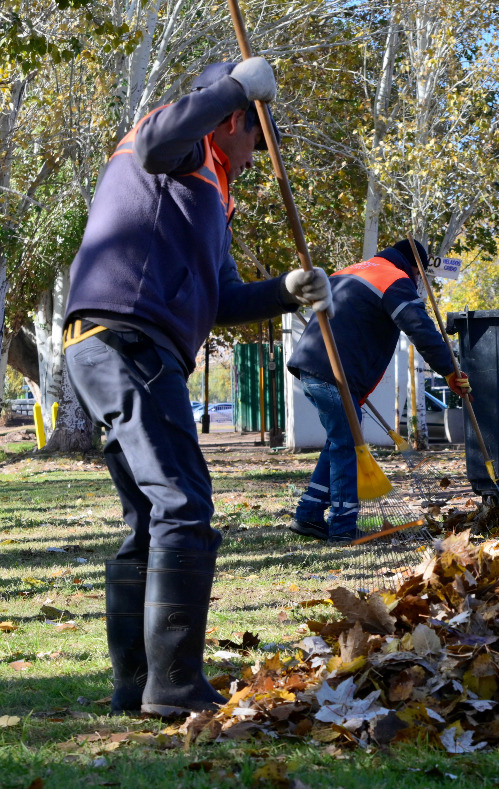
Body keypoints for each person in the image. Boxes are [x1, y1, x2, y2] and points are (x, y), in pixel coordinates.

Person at [63, 59, 331, 720]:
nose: (254, 157)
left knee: (152, 518)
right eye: (254, 139)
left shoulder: (211, 191)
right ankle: (174, 683)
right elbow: (157, 141)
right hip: (128, 337)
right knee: (184, 503)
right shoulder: (175, 144)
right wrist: (237, 87)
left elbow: (220, 299)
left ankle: (137, 683)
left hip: (119, 345)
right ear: (232, 119)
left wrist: (285, 292)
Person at [285, 239, 469, 542]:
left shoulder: (347, 272)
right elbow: (419, 328)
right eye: (420, 275)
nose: (419, 282)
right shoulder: (394, 279)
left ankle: (308, 515)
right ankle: (342, 529)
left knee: (339, 440)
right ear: (414, 267)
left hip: (313, 366)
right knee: (347, 446)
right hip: (333, 371)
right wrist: (450, 369)